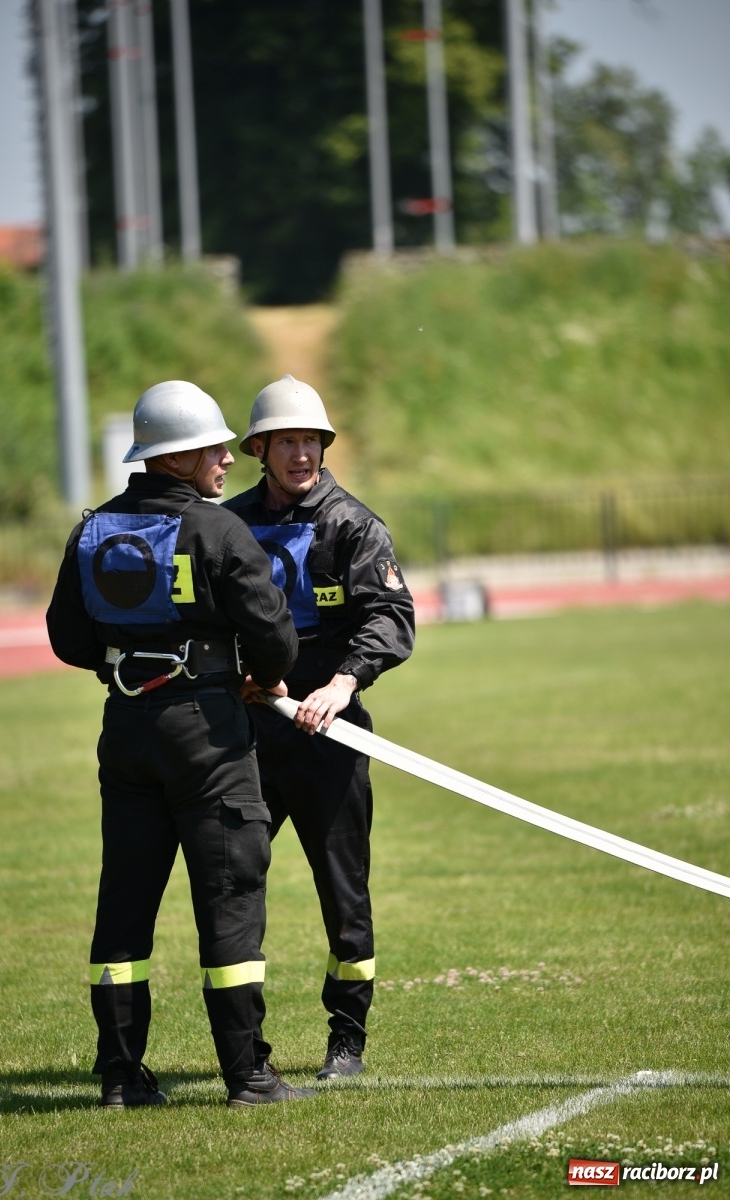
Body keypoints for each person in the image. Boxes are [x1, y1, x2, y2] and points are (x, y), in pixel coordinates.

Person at [46, 379, 314, 1109]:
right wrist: (257, 674)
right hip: (210, 737)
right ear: (180, 456)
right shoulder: (218, 530)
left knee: (124, 907)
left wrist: (131, 655)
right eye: (215, 448)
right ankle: (247, 1075)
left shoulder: (93, 529)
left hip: (127, 733)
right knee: (230, 899)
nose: (229, 458)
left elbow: (67, 640)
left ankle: (120, 1076)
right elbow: (274, 639)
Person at [223, 374, 415, 1080]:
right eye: (287, 441)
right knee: (237, 887)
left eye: (311, 440)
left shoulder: (354, 525)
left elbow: (390, 619)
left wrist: (341, 684)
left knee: (343, 890)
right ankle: (246, 1047)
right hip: (248, 736)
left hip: (331, 739)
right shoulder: (229, 524)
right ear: (260, 449)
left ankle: (346, 1038)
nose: (301, 453)